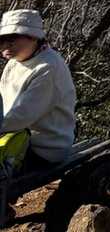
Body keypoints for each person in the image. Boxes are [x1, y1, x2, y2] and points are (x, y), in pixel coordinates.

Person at [0, 10, 75, 177]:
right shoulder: (15, 62)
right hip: (16, 138)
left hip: (44, 148)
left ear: (34, 37)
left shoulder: (49, 67)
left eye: (11, 39)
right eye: (1, 40)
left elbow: (22, 115)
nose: (5, 45)